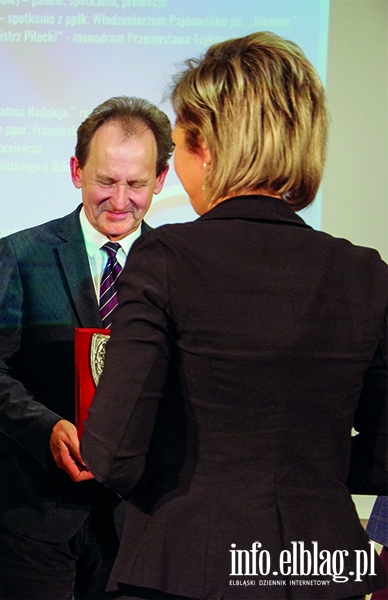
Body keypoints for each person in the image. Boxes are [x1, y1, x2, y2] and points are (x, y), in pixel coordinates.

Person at [81, 32, 388, 599]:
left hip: (186, 565)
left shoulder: (166, 257)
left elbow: (113, 451)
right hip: (323, 568)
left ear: (209, 146)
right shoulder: (365, 272)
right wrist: (307, 474)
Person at [0, 96, 172, 599]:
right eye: (106, 181)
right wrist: (47, 428)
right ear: (77, 170)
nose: (120, 200)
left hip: (137, 516)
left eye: (136, 184)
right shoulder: (23, 253)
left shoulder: (175, 266)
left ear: (161, 180)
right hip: (34, 507)